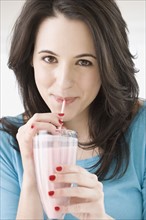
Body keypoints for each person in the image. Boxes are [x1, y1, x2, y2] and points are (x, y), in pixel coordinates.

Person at [0, 0, 146, 219]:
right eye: (49, 58)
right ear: (30, 57)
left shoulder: (141, 131)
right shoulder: (7, 143)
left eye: (84, 62)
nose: (64, 82)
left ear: (108, 65)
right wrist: (32, 181)